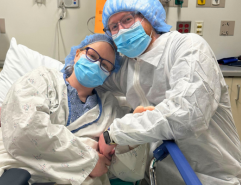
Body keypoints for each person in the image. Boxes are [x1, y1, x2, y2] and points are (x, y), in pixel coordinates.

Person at [0, 34, 148, 185]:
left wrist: (131, 135)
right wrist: (89, 159)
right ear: (77, 54)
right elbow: (25, 129)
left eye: (105, 66)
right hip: (12, 163)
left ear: (108, 75)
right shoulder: (42, 78)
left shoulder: (109, 108)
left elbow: (128, 171)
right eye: (92, 56)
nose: (96, 65)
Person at [97, 0, 241, 185]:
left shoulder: (188, 47)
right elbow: (89, 82)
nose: (122, 30)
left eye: (127, 19)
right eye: (114, 27)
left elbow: (187, 114)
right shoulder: (128, 66)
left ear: (149, 15)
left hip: (212, 176)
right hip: (157, 176)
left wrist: (114, 133)